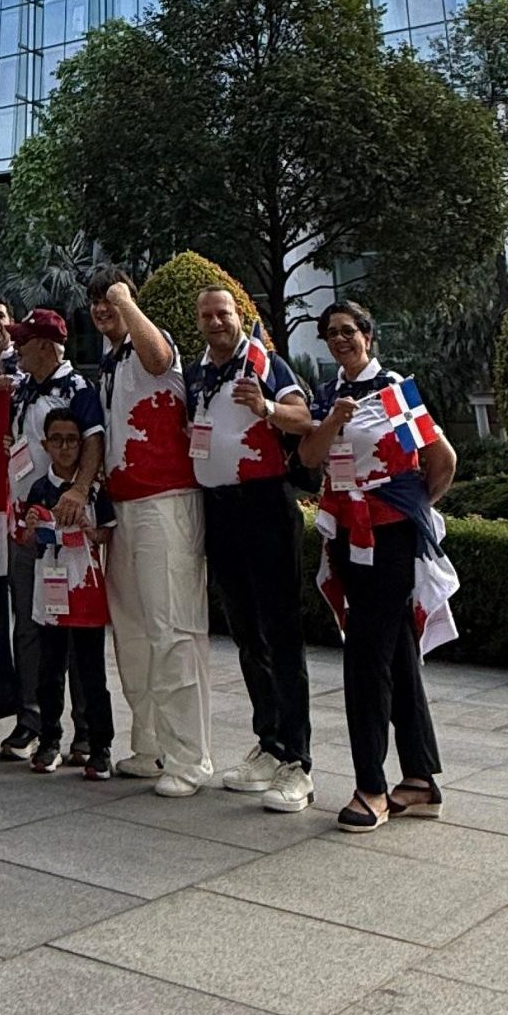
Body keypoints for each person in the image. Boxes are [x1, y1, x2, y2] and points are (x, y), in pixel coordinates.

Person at [297, 301, 460, 834]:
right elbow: (309, 457)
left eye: (349, 331)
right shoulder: (328, 394)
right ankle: (418, 778)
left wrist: (410, 507)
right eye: (331, 334)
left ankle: (371, 785)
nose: (340, 339)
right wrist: (336, 419)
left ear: (368, 335)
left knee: (366, 657)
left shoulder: (393, 390)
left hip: (388, 535)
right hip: (346, 534)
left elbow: (442, 460)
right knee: (395, 654)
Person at [184, 288, 318, 812]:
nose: (216, 322)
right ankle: (270, 741)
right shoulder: (198, 373)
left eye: (224, 313)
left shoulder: (262, 361)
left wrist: (264, 406)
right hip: (219, 509)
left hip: (264, 504)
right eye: (207, 315)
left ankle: (299, 762)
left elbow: (303, 417)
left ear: (239, 316)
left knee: (282, 631)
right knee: (245, 631)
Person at [88, 266, 212, 797]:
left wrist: (124, 300)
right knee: (134, 631)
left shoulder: (153, 346)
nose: (103, 308)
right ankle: (151, 744)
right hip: (126, 505)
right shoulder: (110, 364)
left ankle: (190, 757)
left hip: (166, 501)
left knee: (173, 628)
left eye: (110, 298)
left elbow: (159, 358)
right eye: (95, 301)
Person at [0, 307, 105, 762]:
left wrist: (80, 490)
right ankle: (32, 719)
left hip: (68, 524)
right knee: (30, 623)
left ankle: (84, 731)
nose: (15, 349)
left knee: (78, 629)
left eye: (22, 342)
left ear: (45, 346)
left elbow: (95, 440)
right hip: (28, 523)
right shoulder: (21, 388)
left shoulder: (77, 387)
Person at [15, 410, 117, 779]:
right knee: (49, 670)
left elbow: (107, 532)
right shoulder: (39, 488)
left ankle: (99, 744)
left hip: (85, 590)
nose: (64, 447)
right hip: (51, 592)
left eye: (72, 439)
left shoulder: (93, 488)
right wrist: (29, 527)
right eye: (56, 440)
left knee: (91, 672)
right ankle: (49, 739)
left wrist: (91, 531)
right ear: (45, 445)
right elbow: (25, 538)